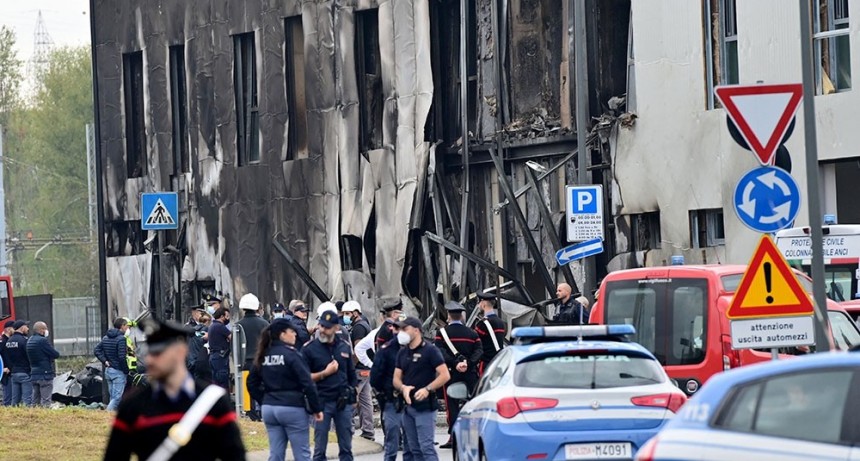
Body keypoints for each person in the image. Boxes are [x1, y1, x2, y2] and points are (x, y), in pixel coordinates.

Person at [104, 317, 246, 460]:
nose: (150, 360)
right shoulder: (133, 405)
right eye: (149, 353)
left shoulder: (214, 401)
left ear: (180, 351)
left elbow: (235, 456)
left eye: (158, 353)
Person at [247, 319, 324, 461]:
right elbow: (307, 382)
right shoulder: (291, 354)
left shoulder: (263, 354)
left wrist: (264, 400)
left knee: (275, 454)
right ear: (282, 334)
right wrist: (316, 408)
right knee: (302, 453)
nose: (295, 334)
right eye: (291, 331)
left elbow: (251, 383)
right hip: (292, 407)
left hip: (269, 408)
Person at [302, 310, 357, 461]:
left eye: (327, 327)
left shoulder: (344, 347)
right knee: (320, 448)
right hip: (321, 402)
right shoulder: (309, 349)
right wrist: (324, 373)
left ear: (336, 328)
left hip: (342, 402)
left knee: (346, 447)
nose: (323, 330)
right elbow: (304, 378)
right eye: (321, 326)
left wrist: (353, 397)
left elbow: (351, 375)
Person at [394, 317, 450, 461]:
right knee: (413, 449)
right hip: (408, 407)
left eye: (405, 329)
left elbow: (445, 375)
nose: (401, 332)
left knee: (426, 448)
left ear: (416, 330)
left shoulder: (430, 350)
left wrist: (427, 389)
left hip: (426, 407)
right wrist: (403, 387)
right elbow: (396, 378)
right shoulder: (402, 352)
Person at [435, 301, 482, 449]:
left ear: (448, 315)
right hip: (470, 373)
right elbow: (479, 351)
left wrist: (455, 363)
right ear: (461, 316)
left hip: (450, 373)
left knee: (451, 404)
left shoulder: (442, 333)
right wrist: (468, 363)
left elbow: (440, 352)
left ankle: (453, 436)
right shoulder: (472, 333)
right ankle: (474, 435)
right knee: (473, 403)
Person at [370, 321, 412, 461]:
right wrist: (384, 392)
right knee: (392, 440)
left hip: (412, 400)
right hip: (392, 399)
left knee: (411, 442)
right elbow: (375, 378)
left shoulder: (417, 348)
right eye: (398, 328)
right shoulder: (386, 350)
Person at [343, 300, 374, 441]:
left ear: (355, 313)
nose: (345, 316)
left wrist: (350, 366)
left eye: (347, 313)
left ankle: (348, 430)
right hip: (366, 368)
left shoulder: (358, 328)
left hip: (359, 369)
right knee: (366, 401)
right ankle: (368, 431)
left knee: (351, 397)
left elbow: (358, 349)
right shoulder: (364, 324)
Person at [238, 293, 269, 421]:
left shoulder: (238, 325)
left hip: (244, 361)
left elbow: (234, 346)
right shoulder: (264, 324)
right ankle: (264, 411)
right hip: (261, 361)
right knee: (263, 386)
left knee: (247, 387)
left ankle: (250, 413)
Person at [95, 318, 130, 411]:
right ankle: (107, 415)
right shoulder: (121, 339)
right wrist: (126, 370)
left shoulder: (106, 337)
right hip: (118, 372)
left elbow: (96, 350)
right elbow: (122, 357)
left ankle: (111, 417)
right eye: (127, 326)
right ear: (122, 326)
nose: (127, 328)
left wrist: (105, 361)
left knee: (113, 397)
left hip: (108, 371)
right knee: (117, 398)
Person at [26, 321, 60, 407]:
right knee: (46, 401)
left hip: (34, 373)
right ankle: (45, 417)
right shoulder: (42, 341)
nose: (47, 331)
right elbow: (55, 354)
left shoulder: (30, 340)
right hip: (45, 374)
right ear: (41, 330)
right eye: (46, 329)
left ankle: (34, 417)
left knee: (35, 400)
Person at [473, 292, 507, 375]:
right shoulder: (500, 322)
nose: (478, 305)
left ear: (483, 304)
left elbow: (475, 343)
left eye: (479, 303)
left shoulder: (483, 324)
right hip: (498, 362)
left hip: (486, 363)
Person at [5, 320, 32, 406]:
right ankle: (27, 417)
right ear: (22, 327)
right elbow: (29, 356)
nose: (28, 328)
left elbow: (7, 357)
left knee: (15, 400)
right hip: (24, 372)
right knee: (27, 399)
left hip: (14, 373)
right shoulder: (24, 340)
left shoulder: (9, 341)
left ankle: (13, 416)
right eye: (26, 326)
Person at [208, 307, 232, 389]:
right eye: (227, 316)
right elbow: (232, 338)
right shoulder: (221, 327)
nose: (228, 318)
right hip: (221, 358)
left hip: (213, 357)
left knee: (215, 382)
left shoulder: (212, 326)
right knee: (223, 383)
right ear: (222, 316)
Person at [1, 320, 15, 406]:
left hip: (10, 372)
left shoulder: (8, 341)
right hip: (6, 373)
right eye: (14, 328)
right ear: (8, 329)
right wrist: (1, 369)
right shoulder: (2, 342)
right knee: (8, 397)